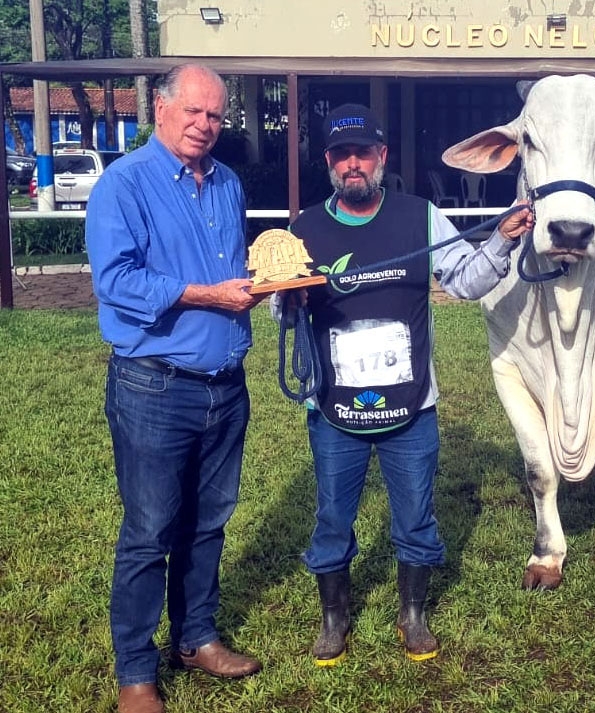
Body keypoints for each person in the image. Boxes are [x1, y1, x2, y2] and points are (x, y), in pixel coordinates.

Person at [271, 103, 533, 666]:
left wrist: (502, 240)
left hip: (412, 410)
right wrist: (287, 300)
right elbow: (279, 309)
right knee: (332, 518)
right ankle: (334, 619)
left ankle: (412, 616)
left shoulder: (421, 217)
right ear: (329, 162)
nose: (353, 164)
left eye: (363, 153)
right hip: (334, 412)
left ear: (382, 156)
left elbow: (465, 281)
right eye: (342, 155)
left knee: (416, 517)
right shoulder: (303, 229)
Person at [85, 63, 263, 713]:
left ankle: (196, 638)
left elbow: (232, 267)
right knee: (150, 530)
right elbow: (115, 281)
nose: (204, 125)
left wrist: (269, 282)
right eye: (192, 111)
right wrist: (206, 296)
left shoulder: (227, 183)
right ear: (159, 109)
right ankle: (136, 674)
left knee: (208, 522)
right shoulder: (124, 184)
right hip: (154, 387)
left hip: (226, 386)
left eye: (214, 115)